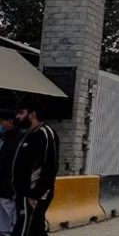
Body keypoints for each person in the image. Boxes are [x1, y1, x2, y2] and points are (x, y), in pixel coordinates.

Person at [11, 97, 59, 236]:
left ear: (32, 114)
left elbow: (50, 166)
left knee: (23, 230)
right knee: (35, 230)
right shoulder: (28, 134)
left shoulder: (45, 133)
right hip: (23, 193)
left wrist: (36, 194)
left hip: (33, 194)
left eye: (21, 113)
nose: (18, 117)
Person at [0, 116, 19, 236]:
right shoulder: (6, 137)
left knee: (8, 210)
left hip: (8, 184)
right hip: (3, 183)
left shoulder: (17, 138)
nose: (2, 124)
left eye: (2, 121)